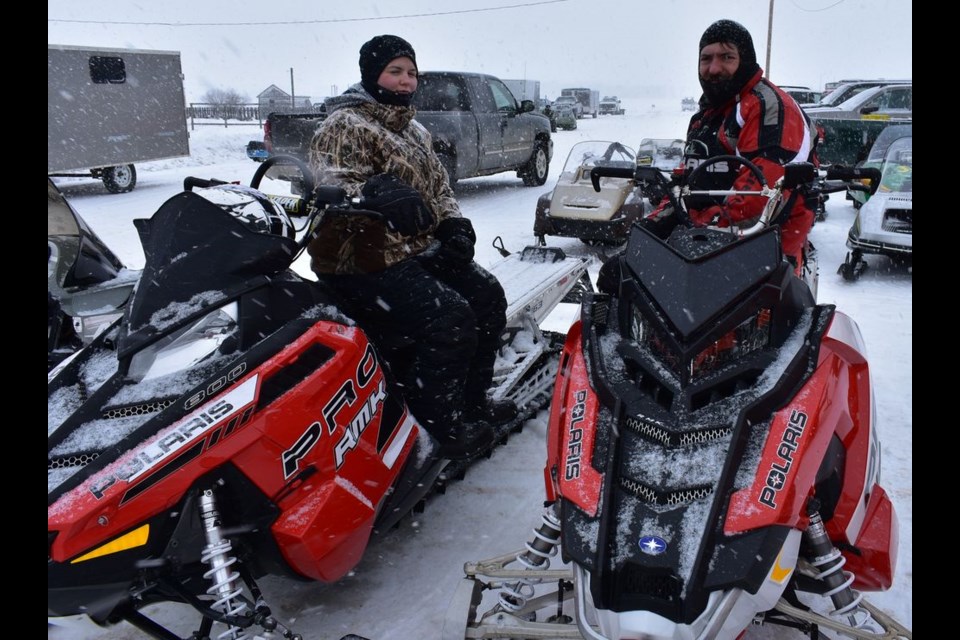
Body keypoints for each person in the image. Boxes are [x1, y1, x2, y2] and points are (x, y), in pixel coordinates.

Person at [306, 34, 517, 460]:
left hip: (412, 251)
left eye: (411, 73)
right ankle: (438, 424)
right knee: (450, 319)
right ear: (372, 75)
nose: (406, 82)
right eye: (395, 72)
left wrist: (455, 223)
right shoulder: (345, 124)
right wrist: (370, 194)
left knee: (487, 298)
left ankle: (473, 403)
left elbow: (440, 186)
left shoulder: (414, 130)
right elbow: (327, 185)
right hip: (360, 260)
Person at [633, 19, 819, 273]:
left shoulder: (769, 109)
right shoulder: (707, 115)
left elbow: (760, 197)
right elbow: (687, 183)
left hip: (765, 254)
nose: (713, 68)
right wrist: (653, 227)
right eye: (706, 58)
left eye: (727, 57)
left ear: (745, 60)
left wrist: (693, 230)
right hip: (709, 246)